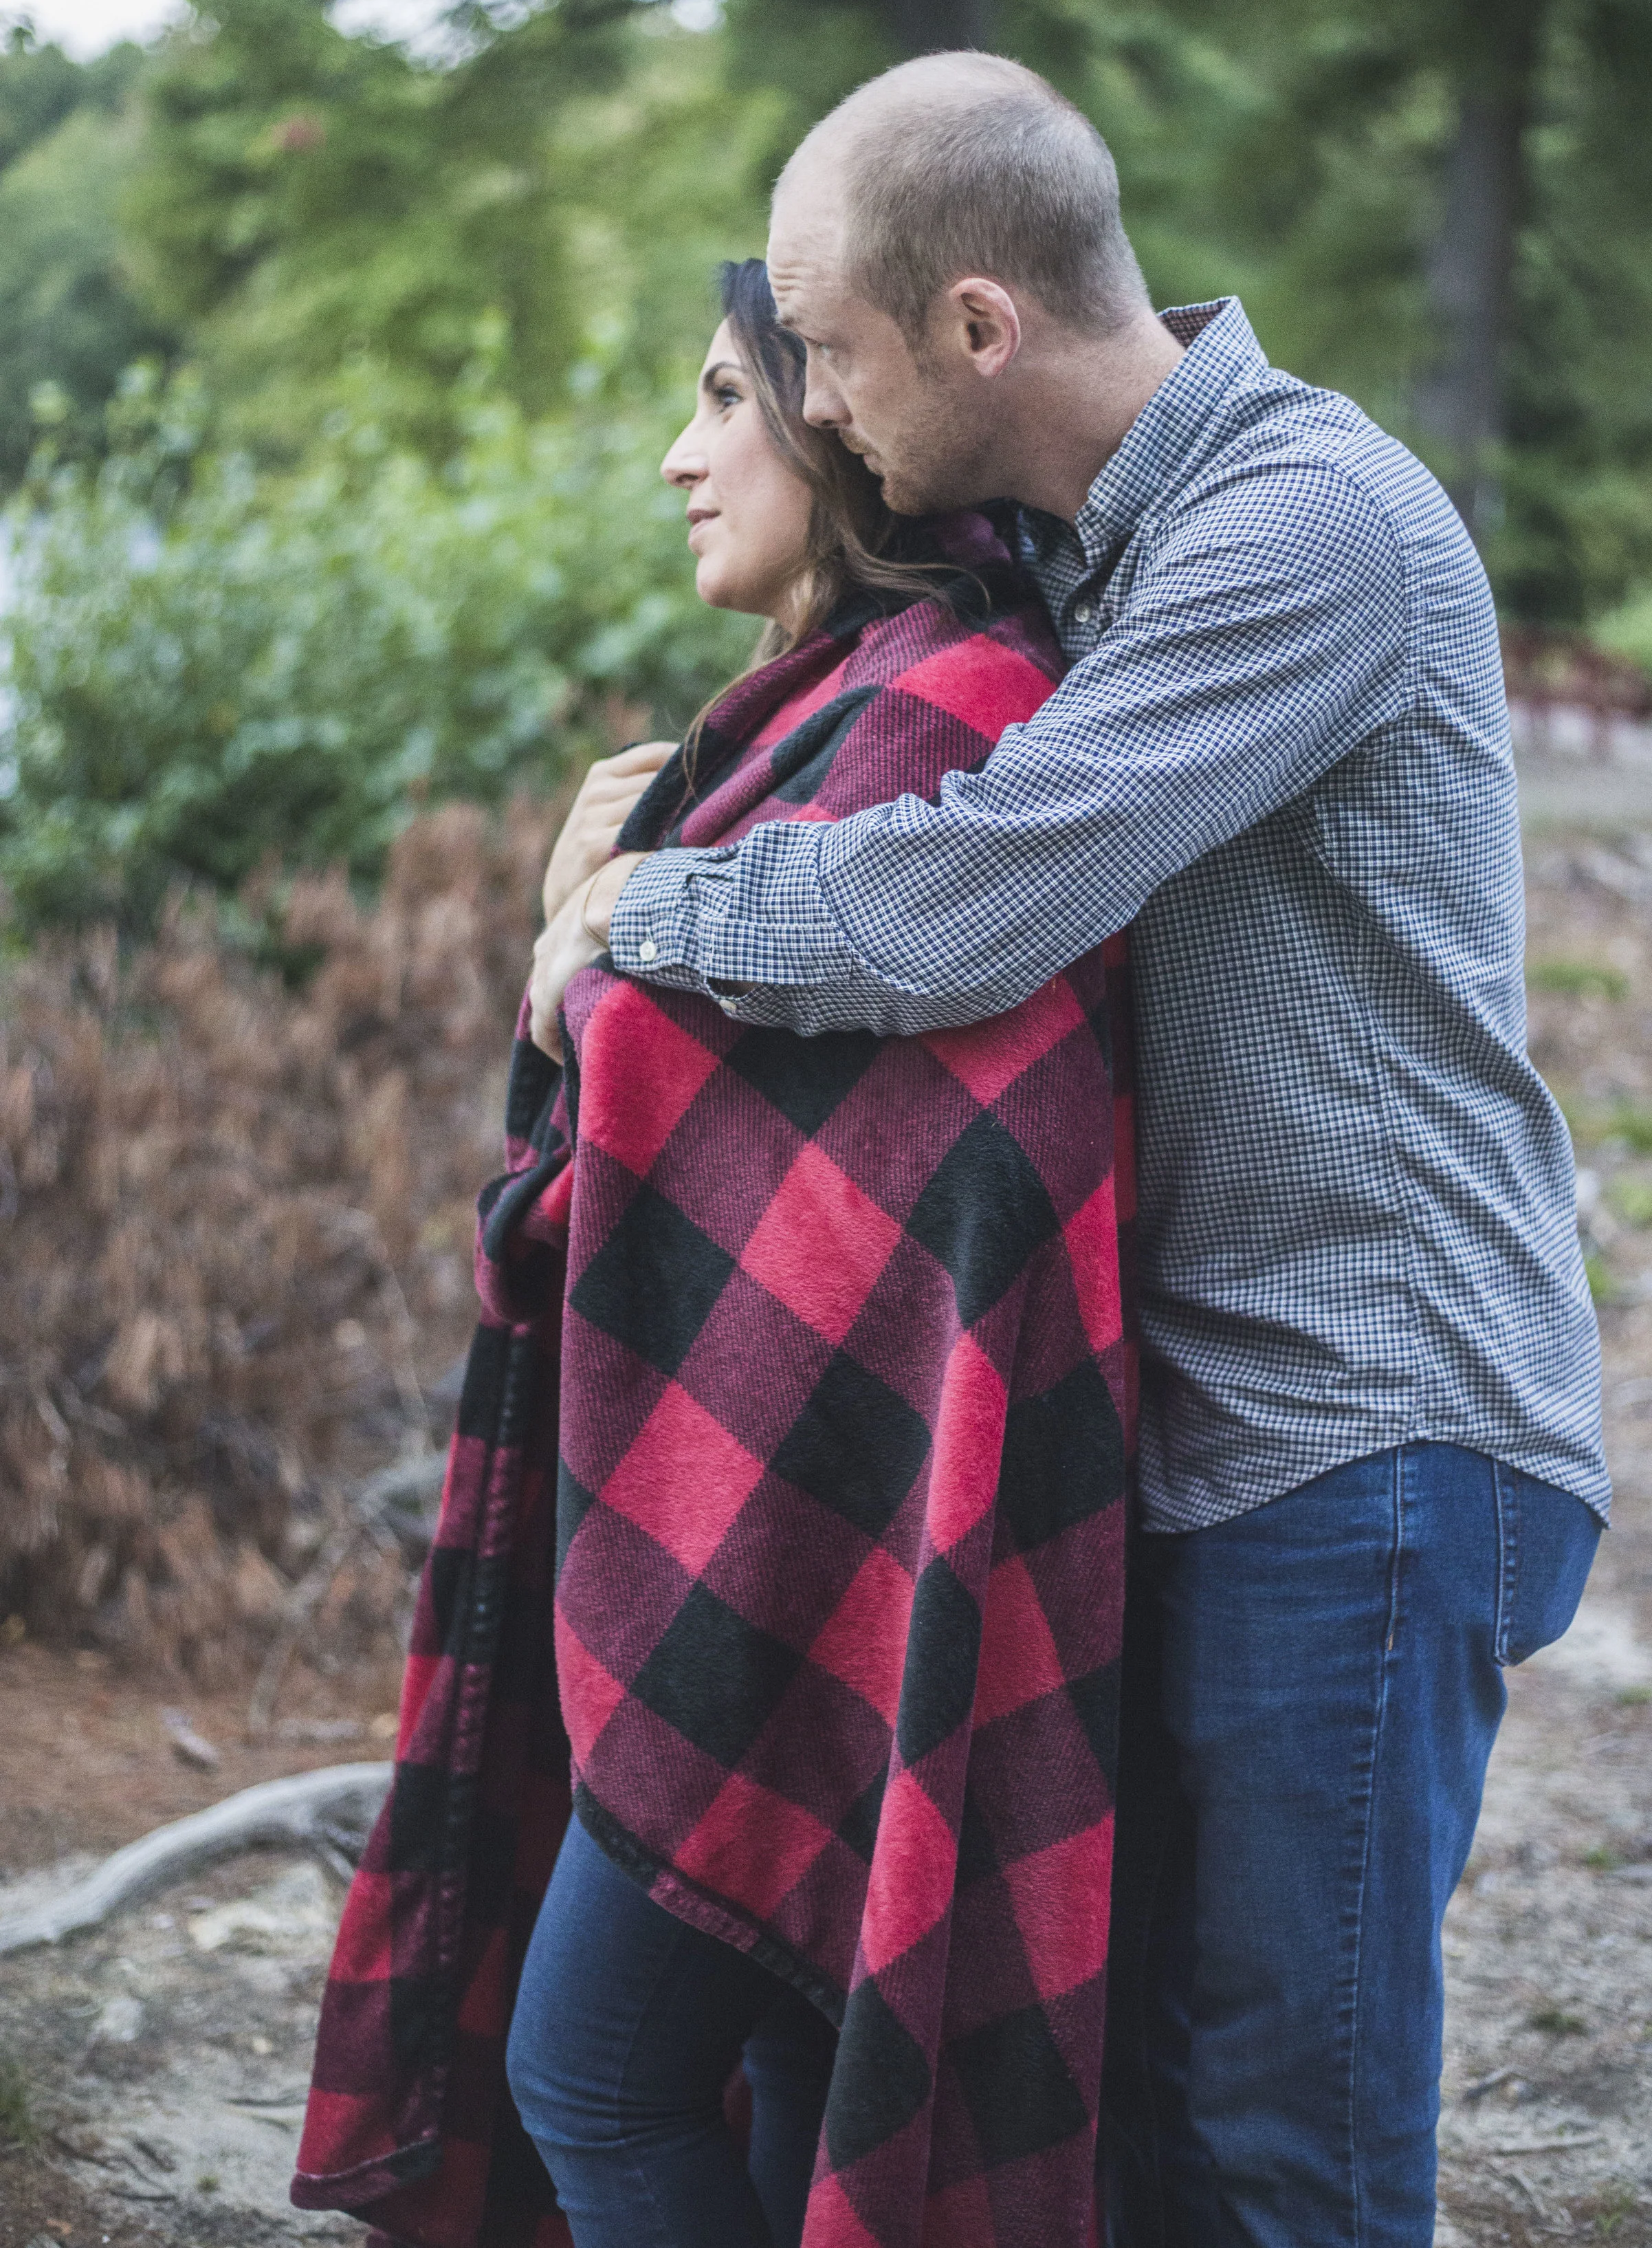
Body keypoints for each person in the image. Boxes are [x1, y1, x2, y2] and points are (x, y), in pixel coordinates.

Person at [543, 56, 1609, 2248]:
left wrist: (624, 905)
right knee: (1133, 2133)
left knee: (1273, 2153)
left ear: (974, 328)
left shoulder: (1303, 526)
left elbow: (965, 900)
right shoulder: (1102, 545)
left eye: (826, 355)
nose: (815, 413)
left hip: (1370, 1441)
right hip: (1211, 1437)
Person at [295, 257, 1136, 2248]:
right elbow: (627, 1130)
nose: (678, 458)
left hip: (841, 1539)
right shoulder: (800, 720)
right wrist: (586, 932)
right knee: (761, 2077)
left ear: (838, 428)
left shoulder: (952, 712)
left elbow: (971, 1156)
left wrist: (592, 939)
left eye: (723, 402)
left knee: (591, 2066)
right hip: (760, 1526)